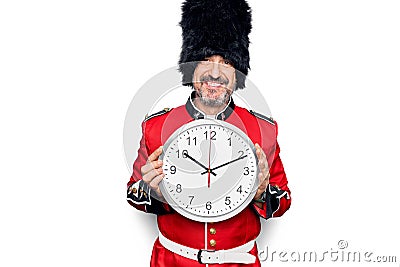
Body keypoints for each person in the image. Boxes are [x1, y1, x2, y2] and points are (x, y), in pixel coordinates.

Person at [127, 0, 291, 266]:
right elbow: (132, 193)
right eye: (205, 59)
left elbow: (283, 199)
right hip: (173, 262)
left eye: (226, 62)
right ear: (191, 68)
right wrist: (150, 189)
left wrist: (261, 191)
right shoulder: (156, 127)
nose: (215, 72)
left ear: (237, 73)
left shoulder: (264, 130)